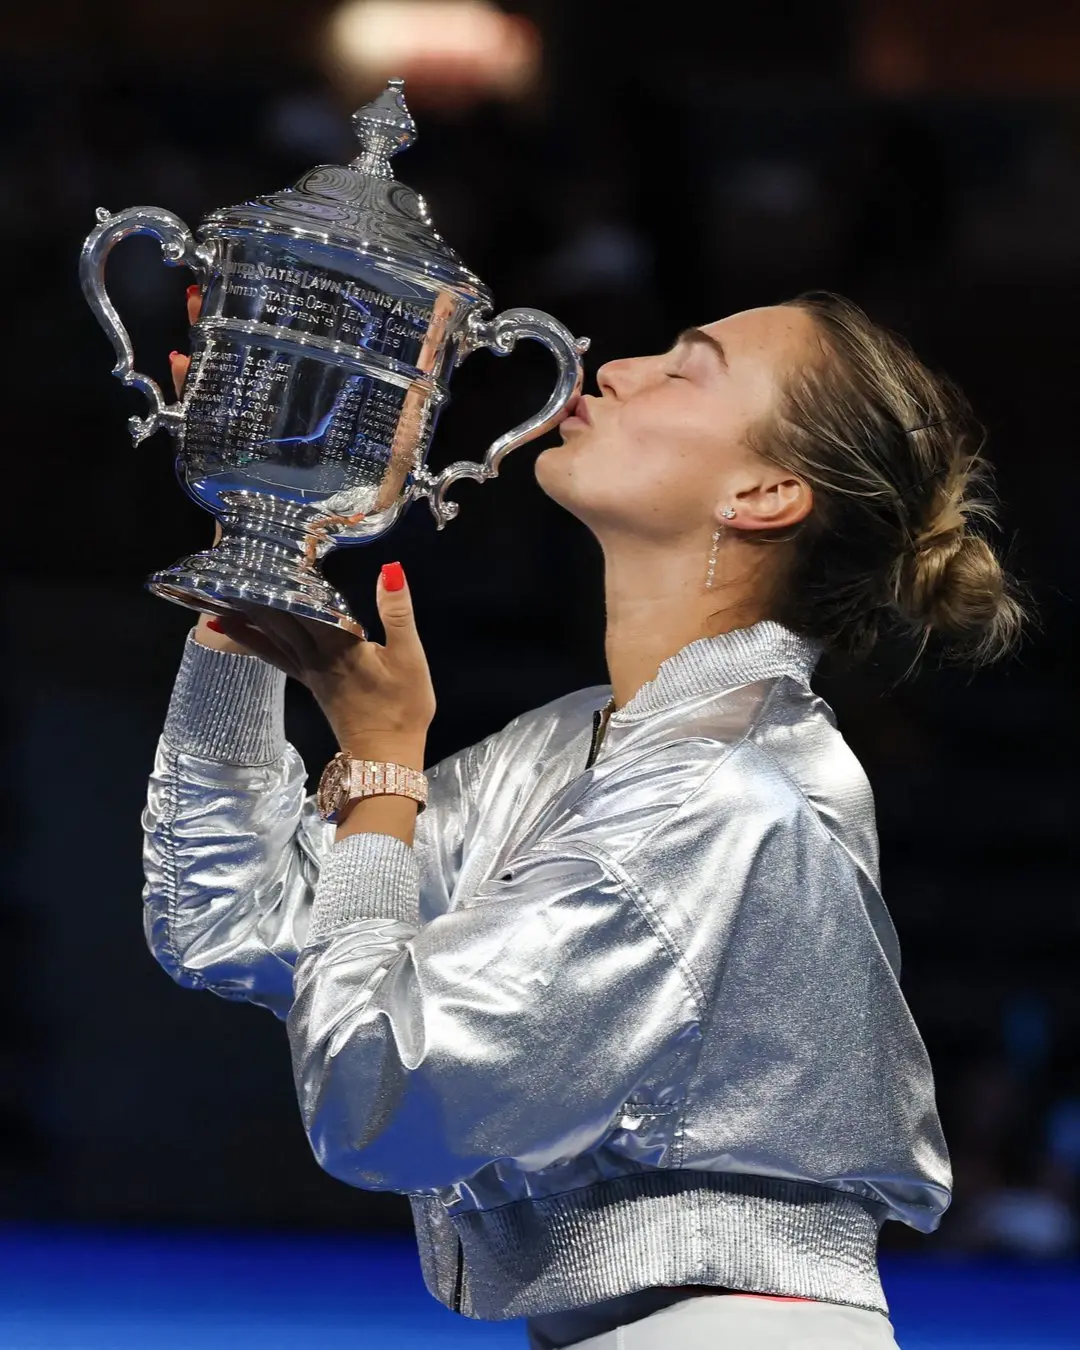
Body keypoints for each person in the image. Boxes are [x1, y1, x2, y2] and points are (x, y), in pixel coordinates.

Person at [144, 290, 1024, 1349]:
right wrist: (264, 540)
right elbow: (233, 918)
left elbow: (379, 1091)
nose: (615, 369)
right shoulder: (576, 749)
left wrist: (385, 771)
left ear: (764, 492)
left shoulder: (724, 791)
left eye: (686, 366)